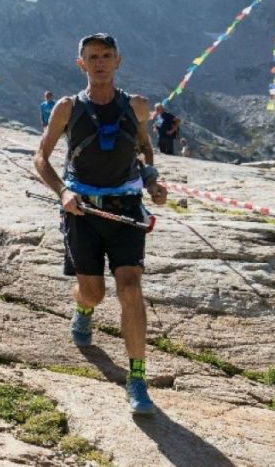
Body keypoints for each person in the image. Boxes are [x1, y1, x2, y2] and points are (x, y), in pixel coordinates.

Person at [33, 33, 167, 416]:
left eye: (107, 55)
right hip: (82, 212)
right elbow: (40, 157)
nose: (100, 62)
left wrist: (153, 181)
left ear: (118, 61)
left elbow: (144, 147)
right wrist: (62, 193)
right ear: (81, 64)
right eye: (93, 57)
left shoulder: (137, 106)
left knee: (130, 286)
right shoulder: (67, 108)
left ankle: (137, 379)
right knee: (93, 293)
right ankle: (84, 309)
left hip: (126, 209)